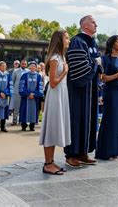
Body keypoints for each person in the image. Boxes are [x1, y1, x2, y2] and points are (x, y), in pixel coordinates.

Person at [64, 15, 101, 168]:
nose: (96, 25)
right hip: (79, 89)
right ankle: (71, 154)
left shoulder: (93, 43)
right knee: (77, 119)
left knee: (89, 119)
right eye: (93, 22)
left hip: (91, 89)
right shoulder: (77, 41)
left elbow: (98, 65)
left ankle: (83, 152)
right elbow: (79, 67)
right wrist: (95, 62)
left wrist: (97, 64)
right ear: (85, 25)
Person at [39, 30, 71, 175]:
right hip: (55, 96)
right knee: (51, 128)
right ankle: (47, 163)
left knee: (56, 127)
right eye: (66, 38)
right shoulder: (55, 59)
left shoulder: (61, 57)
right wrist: (65, 71)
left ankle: (51, 161)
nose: (69, 40)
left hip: (61, 95)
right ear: (59, 40)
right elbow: (52, 83)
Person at [95, 36, 118, 160]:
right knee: (110, 120)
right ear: (112, 44)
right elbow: (102, 77)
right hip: (111, 92)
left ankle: (116, 150)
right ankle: (106, 151)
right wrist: (117, 75)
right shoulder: (105, 59)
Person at [19, 61, 43, 131]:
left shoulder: (39, 76)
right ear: (29, 67)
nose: (32, 67)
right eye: (31, 66)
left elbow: (40, 87)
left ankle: (32, 126)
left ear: (36, 67)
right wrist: (28, 94)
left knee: (33, 112)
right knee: (24, 111)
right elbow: (22, 87)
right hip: (26, 98)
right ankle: (23, 125)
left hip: (34, 98)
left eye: (34, 66)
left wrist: (34, 94)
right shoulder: (24, 75)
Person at [10, 59, 27, 125]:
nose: (24, 65)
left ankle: (22, 121)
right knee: (16, 107)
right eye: (23, 64)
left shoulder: (28, 71)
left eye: (25, 64)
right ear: (21, 64)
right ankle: (14, 120)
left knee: (23, 107)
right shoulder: (16, 71)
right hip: (17, 92)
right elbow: (12, 81)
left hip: (25, 93)